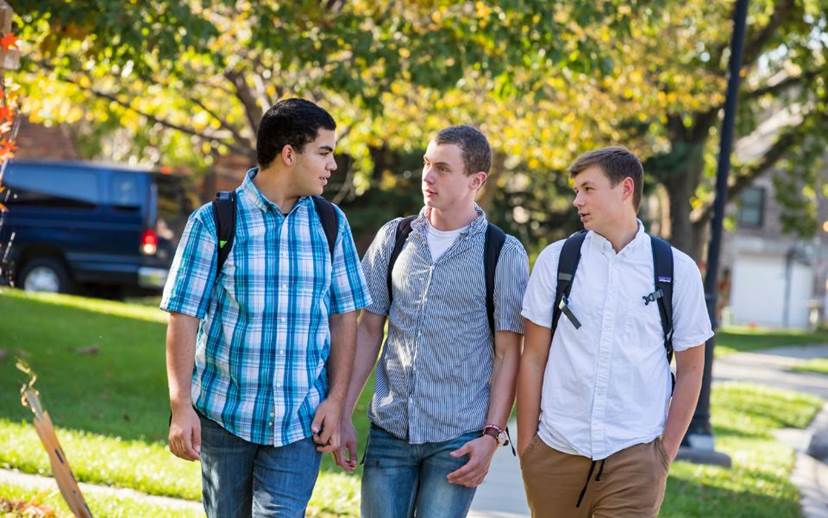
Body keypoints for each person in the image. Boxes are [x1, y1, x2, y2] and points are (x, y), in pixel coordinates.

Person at [161, 98, 371, 517]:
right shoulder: (214, 221)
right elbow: (183, 316)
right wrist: (181, 407)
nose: (333, 166)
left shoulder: (331, 224)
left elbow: (345, 316)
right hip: (225, 417)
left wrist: (336, 400)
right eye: (324, 153)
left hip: (299, 423)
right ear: (289, 153)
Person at [336, 125, 529, 517]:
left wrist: (492, 437)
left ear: (476, 180)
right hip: (390, 430)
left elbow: (510, 353)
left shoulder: (503, 253)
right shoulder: (394, 237)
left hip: (457, 439)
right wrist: (341, 411)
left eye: (442, 168)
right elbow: (369, 330)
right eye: (427, 164)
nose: (427, 176)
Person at [517, 146, 712, 518]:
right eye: (576, 190)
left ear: (625, 189)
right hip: (556, 454)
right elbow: (533, 358)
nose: (577, 200)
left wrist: (663, 454)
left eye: (588, 189)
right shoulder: (557, 260)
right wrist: (529, 448)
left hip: (636, 460)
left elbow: (691, 369)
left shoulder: (677, 270)